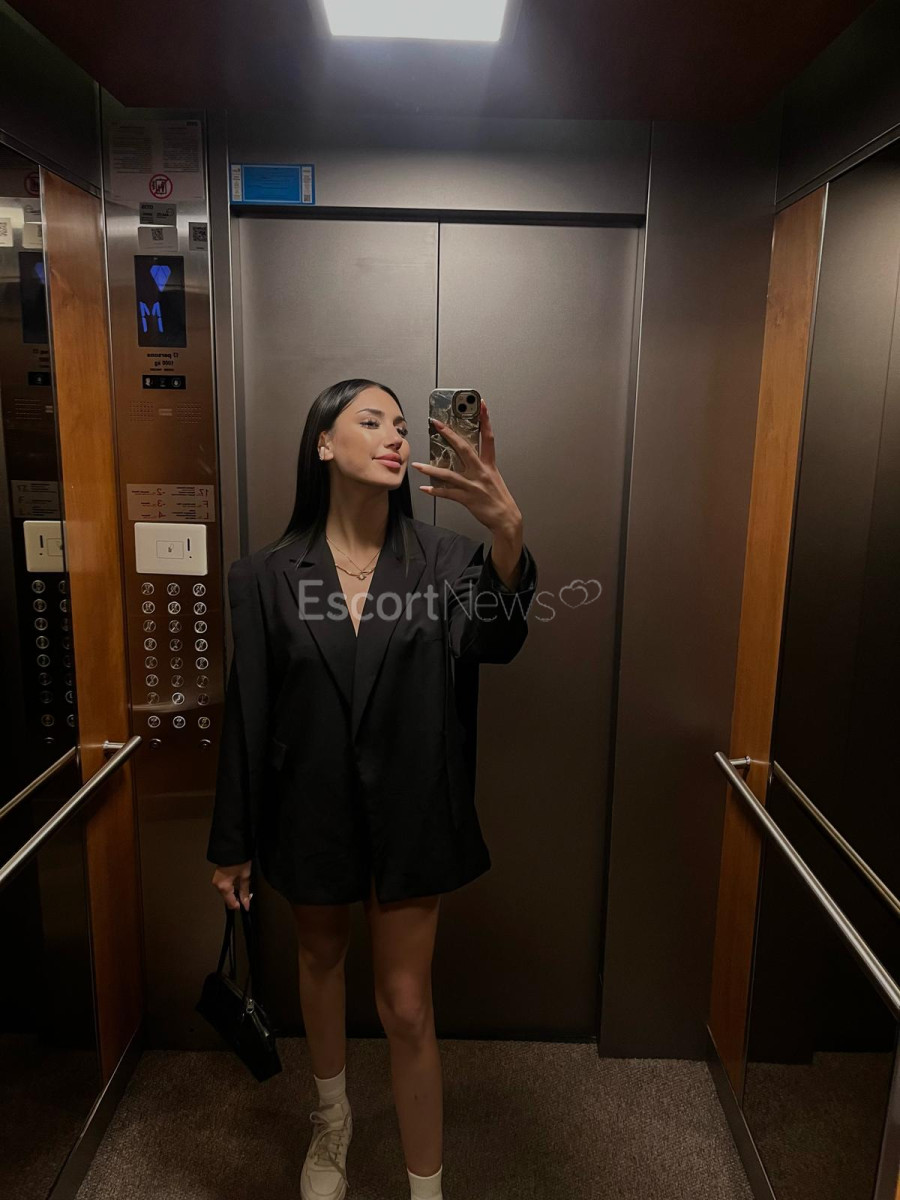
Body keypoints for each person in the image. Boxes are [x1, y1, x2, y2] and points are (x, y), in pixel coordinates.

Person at [207, 378, 537, 1200]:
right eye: (371, 421)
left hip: (412, 811)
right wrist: (232, 841)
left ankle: (427, 1188)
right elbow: (248, 710)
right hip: (307, 809)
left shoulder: (445, 560)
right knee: (319, 961)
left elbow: (493, 642)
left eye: (400, 424)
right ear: (324, 444)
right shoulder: (266, 575)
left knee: (406, 1004)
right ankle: (332, 1120)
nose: (395, 435)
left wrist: (506, 535)